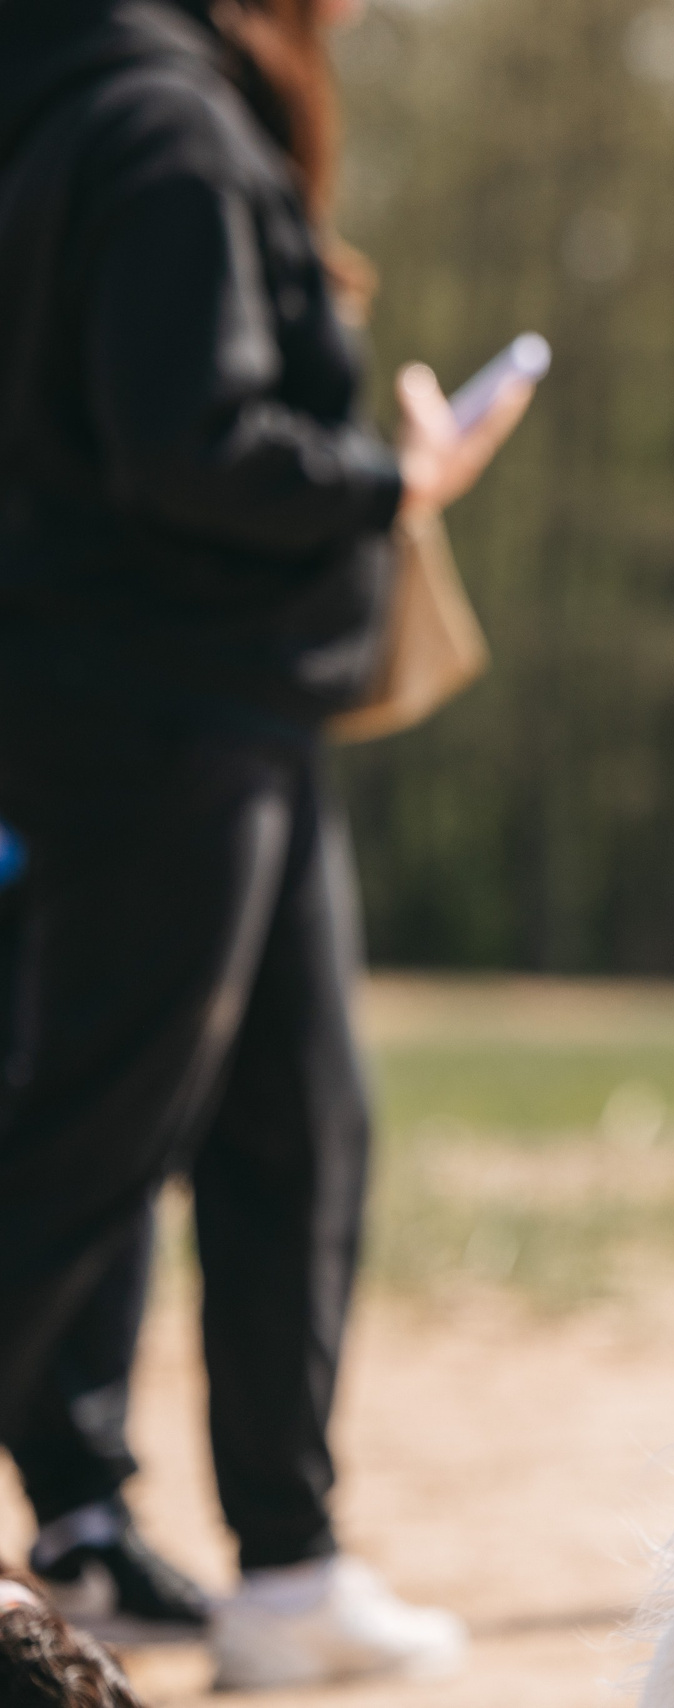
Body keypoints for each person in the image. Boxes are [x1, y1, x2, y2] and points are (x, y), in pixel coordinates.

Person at [0, 0, 528, 1684]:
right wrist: (394, 481)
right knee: (90, 1134)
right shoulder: (164, 133)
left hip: (210, 712)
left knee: (297, 1127)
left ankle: (289, 1568)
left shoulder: (87, 93)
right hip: (164, 717)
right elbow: (190, 443)